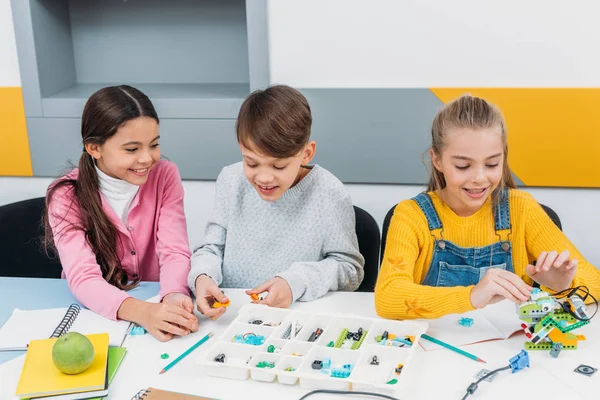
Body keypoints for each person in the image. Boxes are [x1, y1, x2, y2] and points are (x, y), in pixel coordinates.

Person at [375, 94, 600, 320]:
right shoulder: (411, 216)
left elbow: (595, 282)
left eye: (492, 164)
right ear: (437, 160)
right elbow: (387, 297)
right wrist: (472, 296)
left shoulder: (521, 209)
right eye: (463, 166)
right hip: (434, 347)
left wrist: (561, 285)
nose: (479, 178)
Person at [188, 85, 365, 320]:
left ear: (307, 153)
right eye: (251, 163)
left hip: (296, 318)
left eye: (278, 166)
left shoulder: (329, 193)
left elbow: (349, 270)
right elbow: (211, 248)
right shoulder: (230, 180)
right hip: (230, 317)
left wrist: (294, 282)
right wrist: (203, 277)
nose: (263, 177)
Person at [45, 85, 198, 341]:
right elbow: (83, 277)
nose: (147, 158)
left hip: (155, 302)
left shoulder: (165, 175)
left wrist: (173, 294)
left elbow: (175, 250)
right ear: (94, 148)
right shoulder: (65, 194)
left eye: (154, 145)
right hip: (97, 313)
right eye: (131, 149)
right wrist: (143, 312)